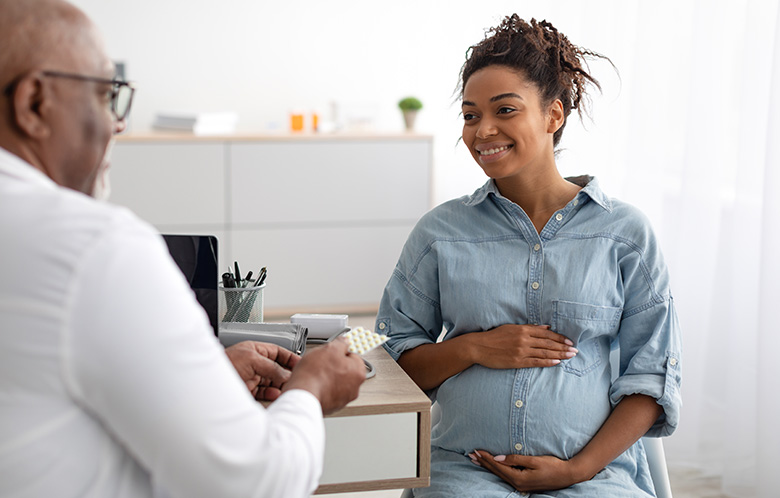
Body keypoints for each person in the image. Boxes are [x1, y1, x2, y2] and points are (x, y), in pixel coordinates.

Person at [0, 1, 366, 497]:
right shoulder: (97, 249)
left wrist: (204, 379)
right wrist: (312, 389)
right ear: (35, 103)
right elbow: (252, 482)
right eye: (108, 95)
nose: (118, 124)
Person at [377, 15, 682, 497]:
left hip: (593, 475)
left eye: (505, 110)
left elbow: (651, 374)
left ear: (553, 115)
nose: (483, 131)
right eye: (471, 114)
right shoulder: (440, 233)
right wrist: (474, 348)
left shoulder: (625, 234)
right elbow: (389, 355)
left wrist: (577, 470)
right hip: (464, 471)